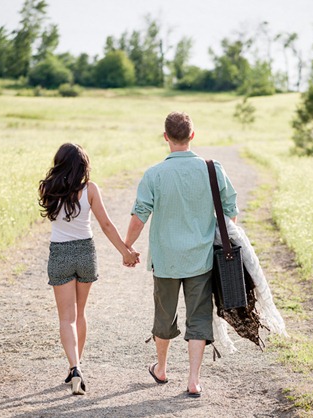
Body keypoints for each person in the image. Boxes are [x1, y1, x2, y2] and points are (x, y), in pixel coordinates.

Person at [125, 112, 238, 398]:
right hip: (201, 259)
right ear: (192, 136)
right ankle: (193, 380)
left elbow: (140, 215)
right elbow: (230, 211)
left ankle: (161, 369)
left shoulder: (155, 174)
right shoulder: (212, 169)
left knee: (164, 316)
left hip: (166, 259)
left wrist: (127, 244)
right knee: (199, 318)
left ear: (166, 137)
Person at [38, 143, 139, 395]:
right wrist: (125, 252)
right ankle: (77, 367)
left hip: (60, 253)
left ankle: (74, 367)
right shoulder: (90, 189)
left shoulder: (47, 188)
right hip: (85, 252)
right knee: (80, 314)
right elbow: (105, 224)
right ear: (83, 165)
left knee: (66, 318)